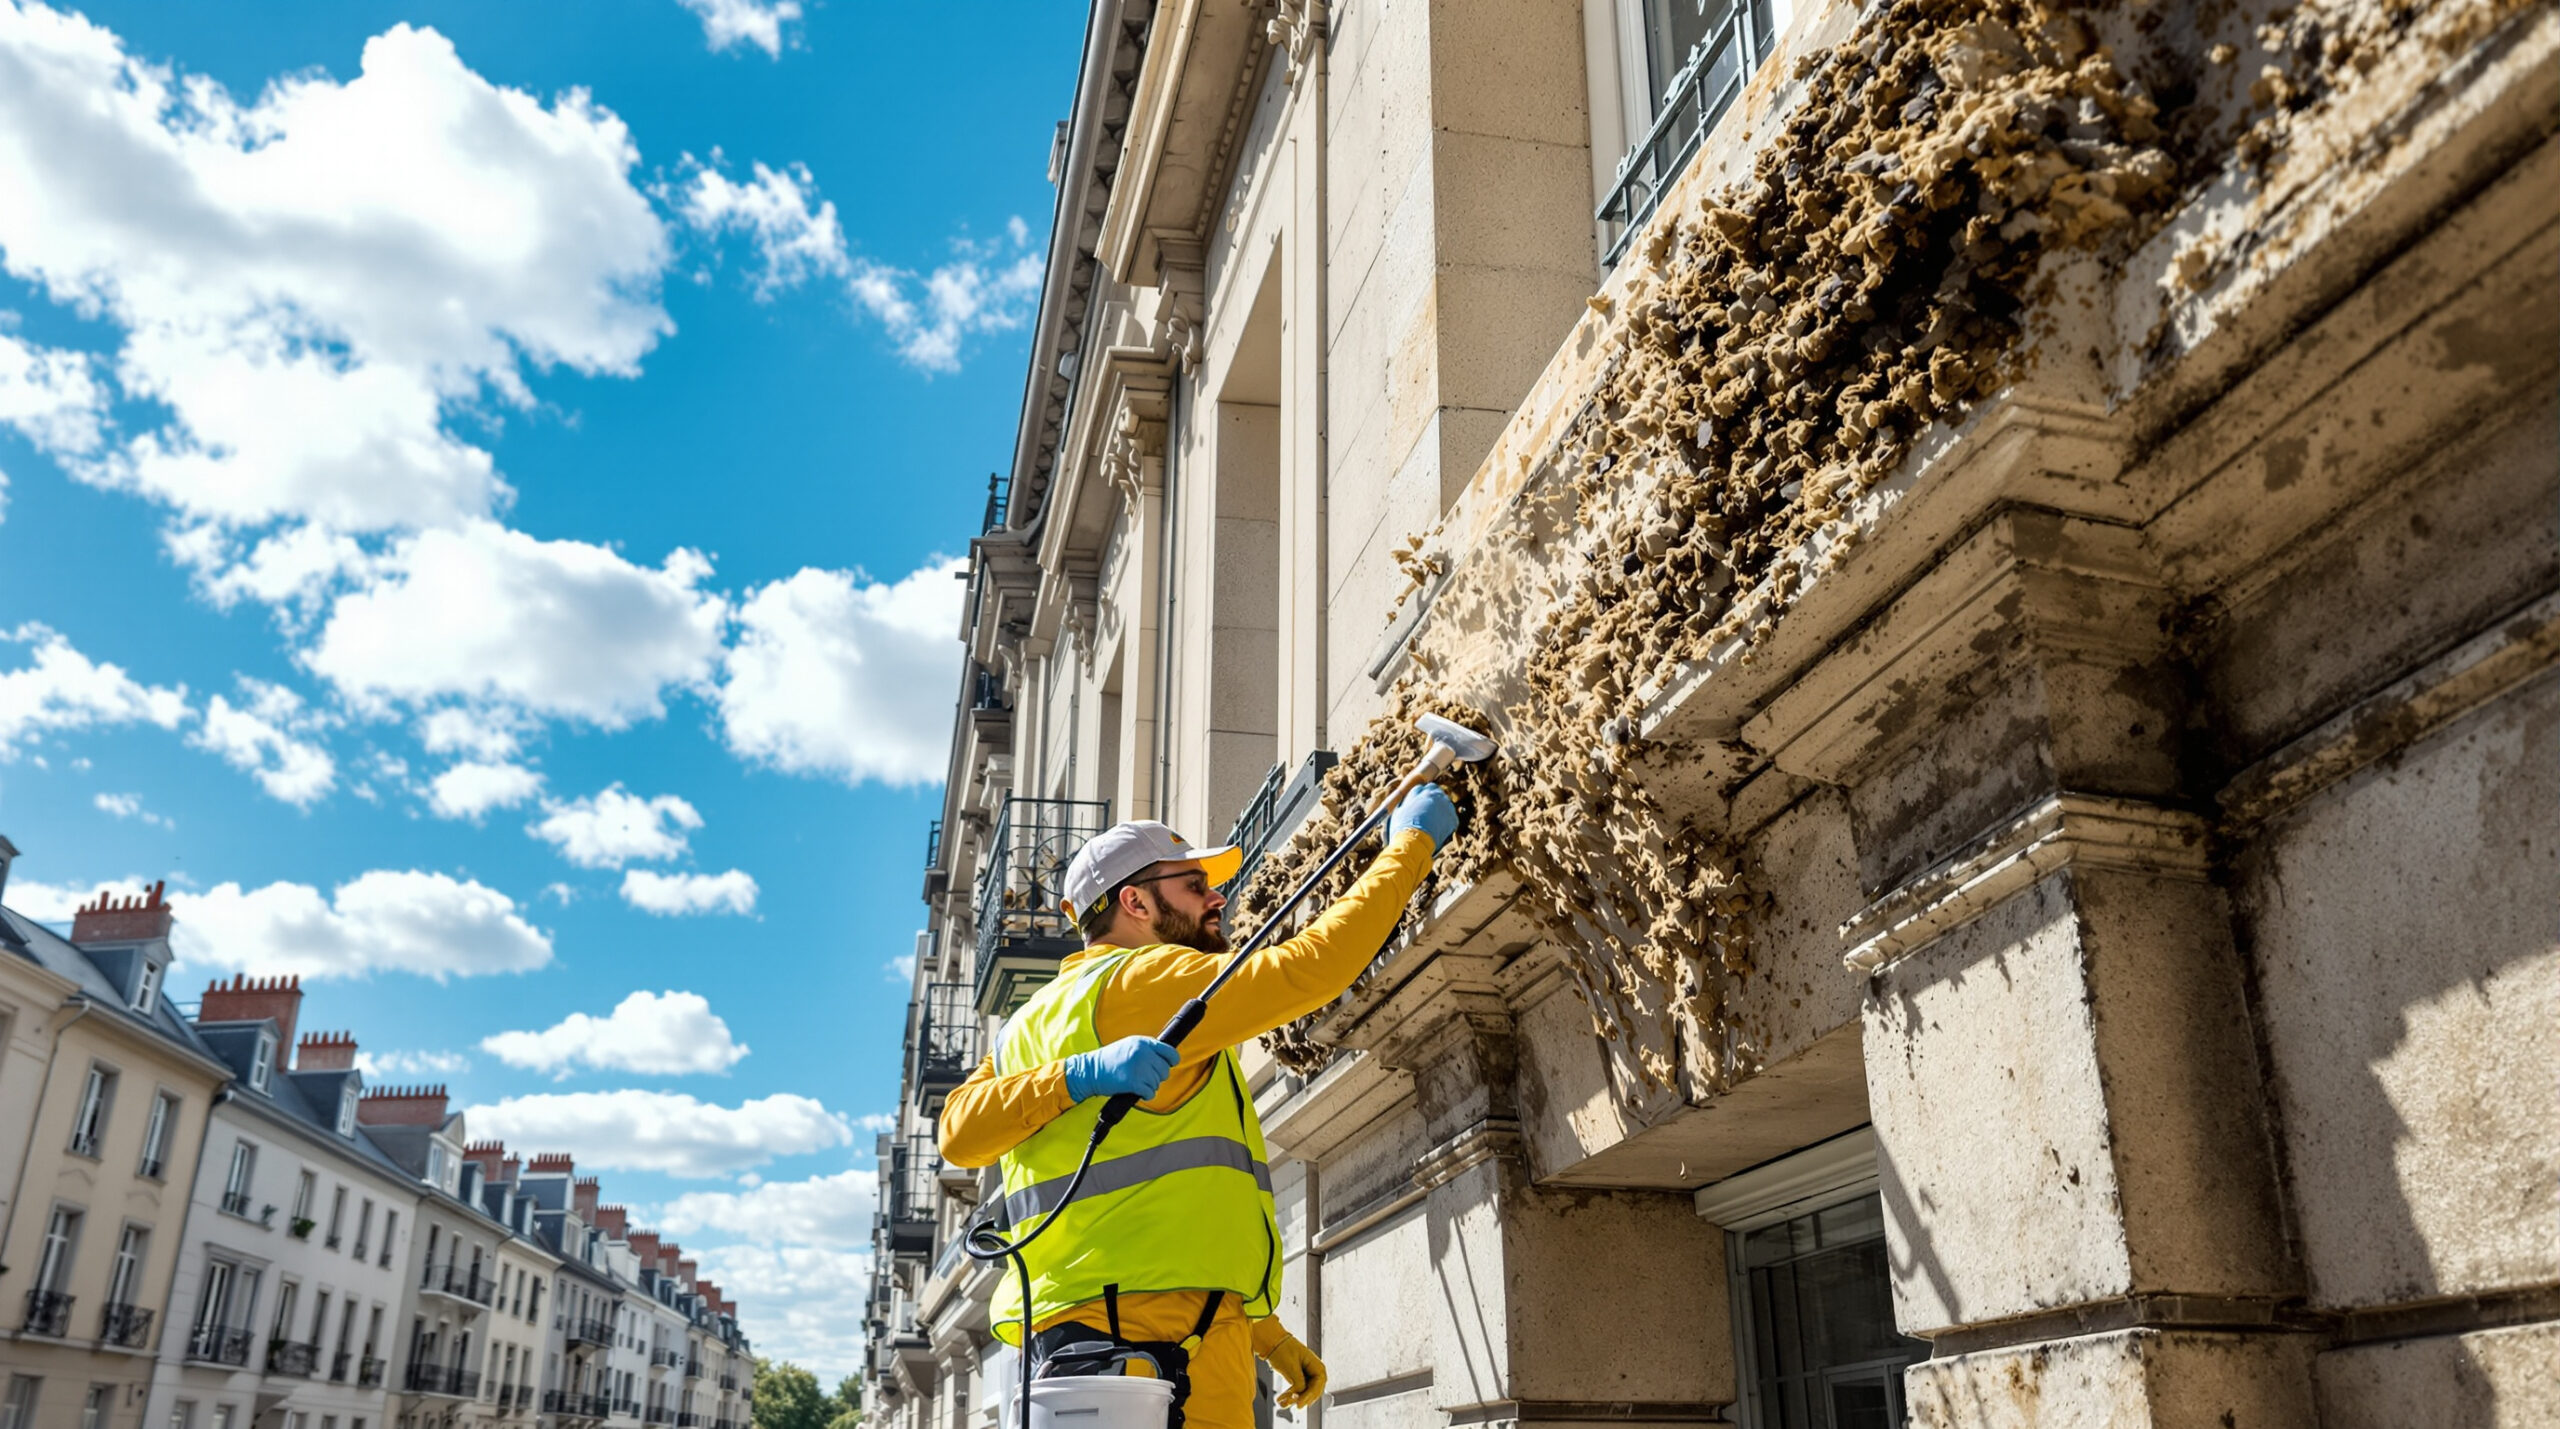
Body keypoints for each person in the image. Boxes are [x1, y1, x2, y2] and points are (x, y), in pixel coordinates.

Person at [939, 784, 1461, 1429]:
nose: (1217, 898)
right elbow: (1314, 968)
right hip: (1148, 1340)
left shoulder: (1026, 1023)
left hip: (1112, 1338)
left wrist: (1263, 1332)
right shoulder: (1145, 979)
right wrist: (1410, 845)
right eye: (1193, 885)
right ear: (1135, 902)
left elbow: (959, 1134)